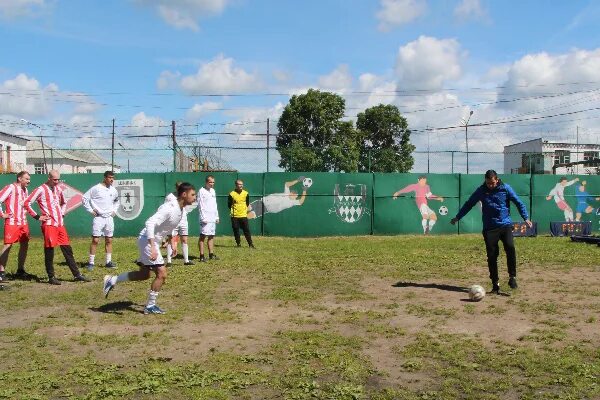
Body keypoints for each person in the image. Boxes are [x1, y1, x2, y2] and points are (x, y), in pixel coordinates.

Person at [103, 182, 196, 314]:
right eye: (193, 194)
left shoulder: (180, 209)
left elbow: (167, 226)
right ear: (184, 194)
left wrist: (172, 242)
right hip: (147, 240)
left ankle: (112, 280)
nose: (194, 197)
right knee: (162, 274)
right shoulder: (170, 207)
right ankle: (150, 306)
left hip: (151, 241)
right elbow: (150, 222)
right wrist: (152, 246)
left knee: (144, 274)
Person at [451, 170, 532, 294]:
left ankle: (512, 277)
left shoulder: (505, 188)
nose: (491, 185)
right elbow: (469, 204)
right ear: (485, 181)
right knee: (492, 256)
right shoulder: (481, 190)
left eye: (493, 183)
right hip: (490, 228)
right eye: (488, 183)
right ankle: (495, 284)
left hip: (505, 225)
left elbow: (518, 202)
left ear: (497, 179)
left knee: (510, 247)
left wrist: (525, 218)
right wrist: (458, 217)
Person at [24, 170, 91, 285]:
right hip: (49, 224)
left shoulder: (58, 189)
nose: (57, 181)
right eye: (55, 179)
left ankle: (77, 275)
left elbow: (64, 203)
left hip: (60, 224)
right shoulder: (41, 189)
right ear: (49, 178)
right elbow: (26, 203)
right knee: (49, 250)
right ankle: (51, 276)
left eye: (58, 179)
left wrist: (62, 213)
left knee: (67, 249)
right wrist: (37, 216)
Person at [0, 171, 35, 282]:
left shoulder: (25, 190)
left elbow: (25, 204)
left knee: (24, 244)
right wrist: (2, 214)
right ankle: (1, 272)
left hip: (23, 222)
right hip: (12, 222)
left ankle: (20, 270)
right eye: (27, 179)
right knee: (7, 245)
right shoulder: (10, 187)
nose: (29, 181)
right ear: (20, 179)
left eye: (29, 179)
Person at [81, 170, 119, 271]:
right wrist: (90, 210)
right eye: (110, 178)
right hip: (99, 218)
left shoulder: (113, 190)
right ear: (105, 178)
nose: (112, 180)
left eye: (113, 178)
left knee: (109, 240)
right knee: (95, 240)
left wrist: (114, 210)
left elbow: (116, 202)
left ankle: (108, 262)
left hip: (109, 218)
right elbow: (84, 198)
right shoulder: (96, 188)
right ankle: (91, 263)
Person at [164, 181, 195, 266]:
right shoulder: (170, 197)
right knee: (171, 239)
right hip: (174, 221)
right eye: (178, 187)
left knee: (184, 240)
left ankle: (186, 260)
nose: (180, 188)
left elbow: (190, 203)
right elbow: (166, 208)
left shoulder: (186, 195)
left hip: (183, 221)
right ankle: (169, 261)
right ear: (176, 187)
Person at [198, 175, 219, 262]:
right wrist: (203, 218)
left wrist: (217, 216)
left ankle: (211, 254)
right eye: (210, 182)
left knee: (211, 236)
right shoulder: (201, 191)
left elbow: (215, 205)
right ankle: (202, 256)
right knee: (203, 236)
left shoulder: (213, 191)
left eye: (213, 182)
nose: (212, 184)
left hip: (212, 217)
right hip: (205, 218)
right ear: (206, 182)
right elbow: (200, 205)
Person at [228, 179, 254, 248]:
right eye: (239, 184)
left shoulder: (246, 193)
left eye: (242, 184)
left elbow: (247, 203)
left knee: (246, 230)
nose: (241, 185)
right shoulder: (231, 194)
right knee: (236, 230)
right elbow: (229, 205)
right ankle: (238, 244)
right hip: (235, 216)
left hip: (243, 215)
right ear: (236, 185)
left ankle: (250, 244)